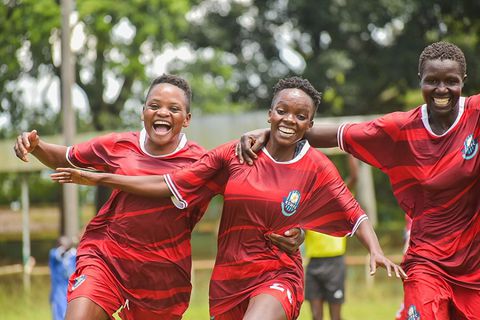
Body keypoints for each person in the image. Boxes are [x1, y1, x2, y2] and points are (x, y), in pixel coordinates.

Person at [50, 76, 406, 320]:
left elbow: (352, 211)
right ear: (269, 114)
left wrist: (374, 248)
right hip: (228, 278)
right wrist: (97, 176)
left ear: (310, 125)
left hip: (277, 270)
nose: (289, 120)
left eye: (301, 116)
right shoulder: (232, 155)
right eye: (282, 111)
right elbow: (168, 184)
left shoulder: (317, 166)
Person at [13, 74, 303, 320]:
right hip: (106, 257)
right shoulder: (118, 145)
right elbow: (66, 157)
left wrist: (296, 227)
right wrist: (35, 145)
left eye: (174, 109)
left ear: (186, 119)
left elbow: (257, 196)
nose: (163, 112)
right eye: (155, 106)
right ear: (143, 112)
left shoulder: (203, 164)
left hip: (163, 277)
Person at [238, 42, 480, 319]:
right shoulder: (399, 128)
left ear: (464, 81)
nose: (441, 89)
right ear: (420, 81)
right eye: (432, 81)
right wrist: (272, 131)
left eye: (451, 81)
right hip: (427, 261)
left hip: (474, 265)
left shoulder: (476, 115)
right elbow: (334, 134)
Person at [304, 155, 358, 320]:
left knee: (335, 316)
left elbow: (355, 177)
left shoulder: (338, 200)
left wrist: (349, 152)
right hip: (314, 263)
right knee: (315, 315)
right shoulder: (307, 204)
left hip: (335, 263)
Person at [49, 236, 77, 320]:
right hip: (58, 291)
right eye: (61, 244)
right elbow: (59, 254)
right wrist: (65, 248)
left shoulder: (74, 255)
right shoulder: (54, 254)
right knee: (59, 316)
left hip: (72, 290)